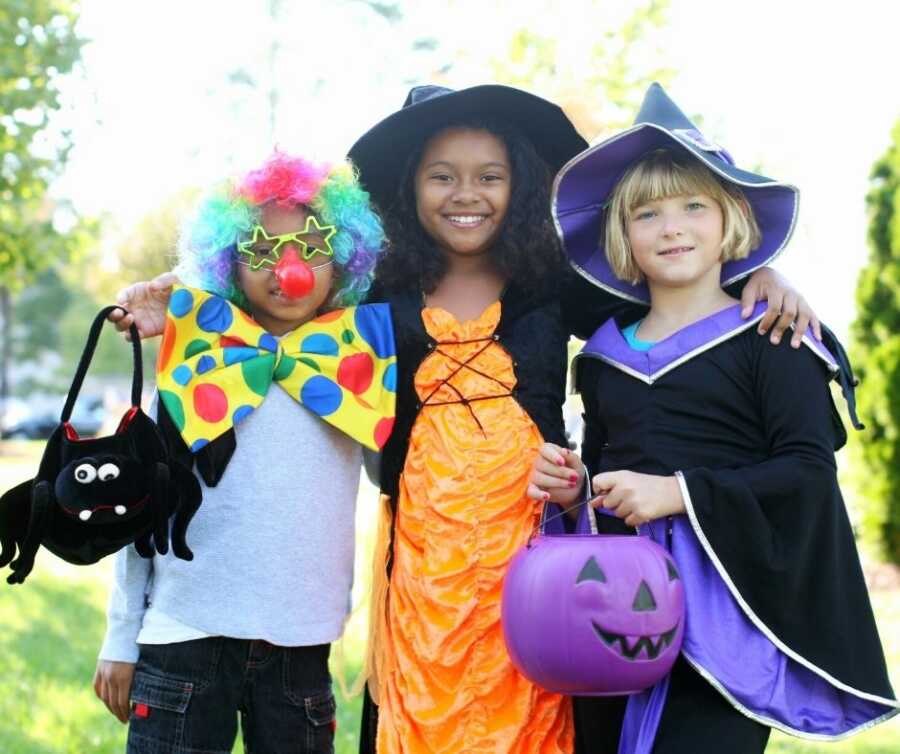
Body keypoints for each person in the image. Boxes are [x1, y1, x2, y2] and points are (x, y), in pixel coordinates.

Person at [111, 85, 821, 754]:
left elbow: (666, 293)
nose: (467, 195)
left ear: (519, 186)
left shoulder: (555, 283)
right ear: (409, 188)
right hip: (423, 563)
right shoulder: (375, 293)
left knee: (528, 712)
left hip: (531, 554)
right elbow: (273, 297)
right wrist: (176, 293)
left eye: (490, 175)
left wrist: (754, 275)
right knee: (425, 712)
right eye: (442, 176)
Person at [530, 83, 899, 754]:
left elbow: (808, 472)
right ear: (622, 235)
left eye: (694, 206)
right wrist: (577, 487)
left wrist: (679, 493)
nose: (672, 227)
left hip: (729, 617)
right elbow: (612, 472)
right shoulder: (605, 356)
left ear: (731, 220)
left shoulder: (774, 339)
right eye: (647, 214)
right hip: (614, 616)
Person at [93, 151, 397, 754]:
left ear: (344, 258)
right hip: (182, 636)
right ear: (228, 263)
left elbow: (398, 477)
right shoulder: (195, 363)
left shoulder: (358, 364)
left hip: (302, 645)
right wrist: (121, 636)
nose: (288, 268)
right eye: (261, 250)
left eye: (312, 246)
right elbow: (142, 510)